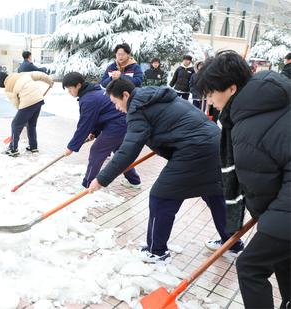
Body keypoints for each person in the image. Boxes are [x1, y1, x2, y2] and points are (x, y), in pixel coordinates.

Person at [87, 78, 243, 263]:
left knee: (161, 197)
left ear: (126, 95)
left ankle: (156, 251)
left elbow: (128, 149)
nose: (117, 108)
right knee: (214, 194)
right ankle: (232, 243)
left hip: (194, 151)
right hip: (216, 146)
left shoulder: (137, 108)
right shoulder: (155, 97)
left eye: (116, 103)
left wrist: (101, 179)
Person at [196, 50, 290, 309]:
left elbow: (260, 180)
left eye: (211, 93)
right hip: (283, 205)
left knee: (250, 266)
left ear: (232, 88)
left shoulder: (249, 123)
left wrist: (269, 219)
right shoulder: (266, 104)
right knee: (283, 259)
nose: (209, 100)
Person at [61, 72, 141, 188]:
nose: (69, 92)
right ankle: (134, 181)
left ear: (78, 85)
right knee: (120, 154)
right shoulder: (92, 93)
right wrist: (94, 132)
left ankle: (87, 184)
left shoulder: (88, 99)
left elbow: (84, 125)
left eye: (70, 88)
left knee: (96, 151)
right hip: (122, 123)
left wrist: (71, 147)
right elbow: (99, 116)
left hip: (117, 125)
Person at [3, 72, 53, 157]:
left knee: (15, 124)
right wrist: (50, 81)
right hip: (39, 100)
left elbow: (16, 103)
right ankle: (33, 147)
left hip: (28, 102)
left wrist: (22, 116)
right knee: (31, 125)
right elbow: (40, 75)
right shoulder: (22, 74)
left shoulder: (8, 88)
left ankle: (13, 149)